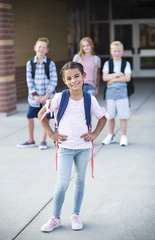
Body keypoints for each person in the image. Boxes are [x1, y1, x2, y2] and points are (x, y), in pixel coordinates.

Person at [38, 61, 107, 232]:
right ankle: (55, 218)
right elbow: (41, 115)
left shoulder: (89, 99)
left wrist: (95, 134)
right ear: (64, 81)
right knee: (62, 183)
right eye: (69, 78)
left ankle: (75, 215)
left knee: (80, 181)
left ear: (84, 76)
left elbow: (103, 117)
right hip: (65, 148)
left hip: (83, 148)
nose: (73, 80)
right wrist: (51, 134)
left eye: (77, 76)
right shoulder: (60, 98)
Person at [17, 37, 57, 150]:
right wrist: (36, 96)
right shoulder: (30, 63)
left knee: (45, 117)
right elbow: (29, 81)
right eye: (39, 47)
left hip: (47, 97)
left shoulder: (50, 63)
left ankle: (43, 140)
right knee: (30, 117)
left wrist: (46, 96)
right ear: (35, 48)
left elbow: (53, 80)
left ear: (47, 50)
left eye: (44, 47)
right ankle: (31, 140)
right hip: (34, 98)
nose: (41, 49)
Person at [102, 41, 131, 146]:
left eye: (119, 51)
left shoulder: (125, 64)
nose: (117, 53)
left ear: (122, 52)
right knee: (110, 116)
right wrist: (118, 75)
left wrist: (113, 79)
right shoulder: (107, 64)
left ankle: (124, 136)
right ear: (111, 51)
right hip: (110, 93)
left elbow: (127, 78)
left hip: (122, 92)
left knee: (123, 116)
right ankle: (111, 135)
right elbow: (105, 77)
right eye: (114, 51)